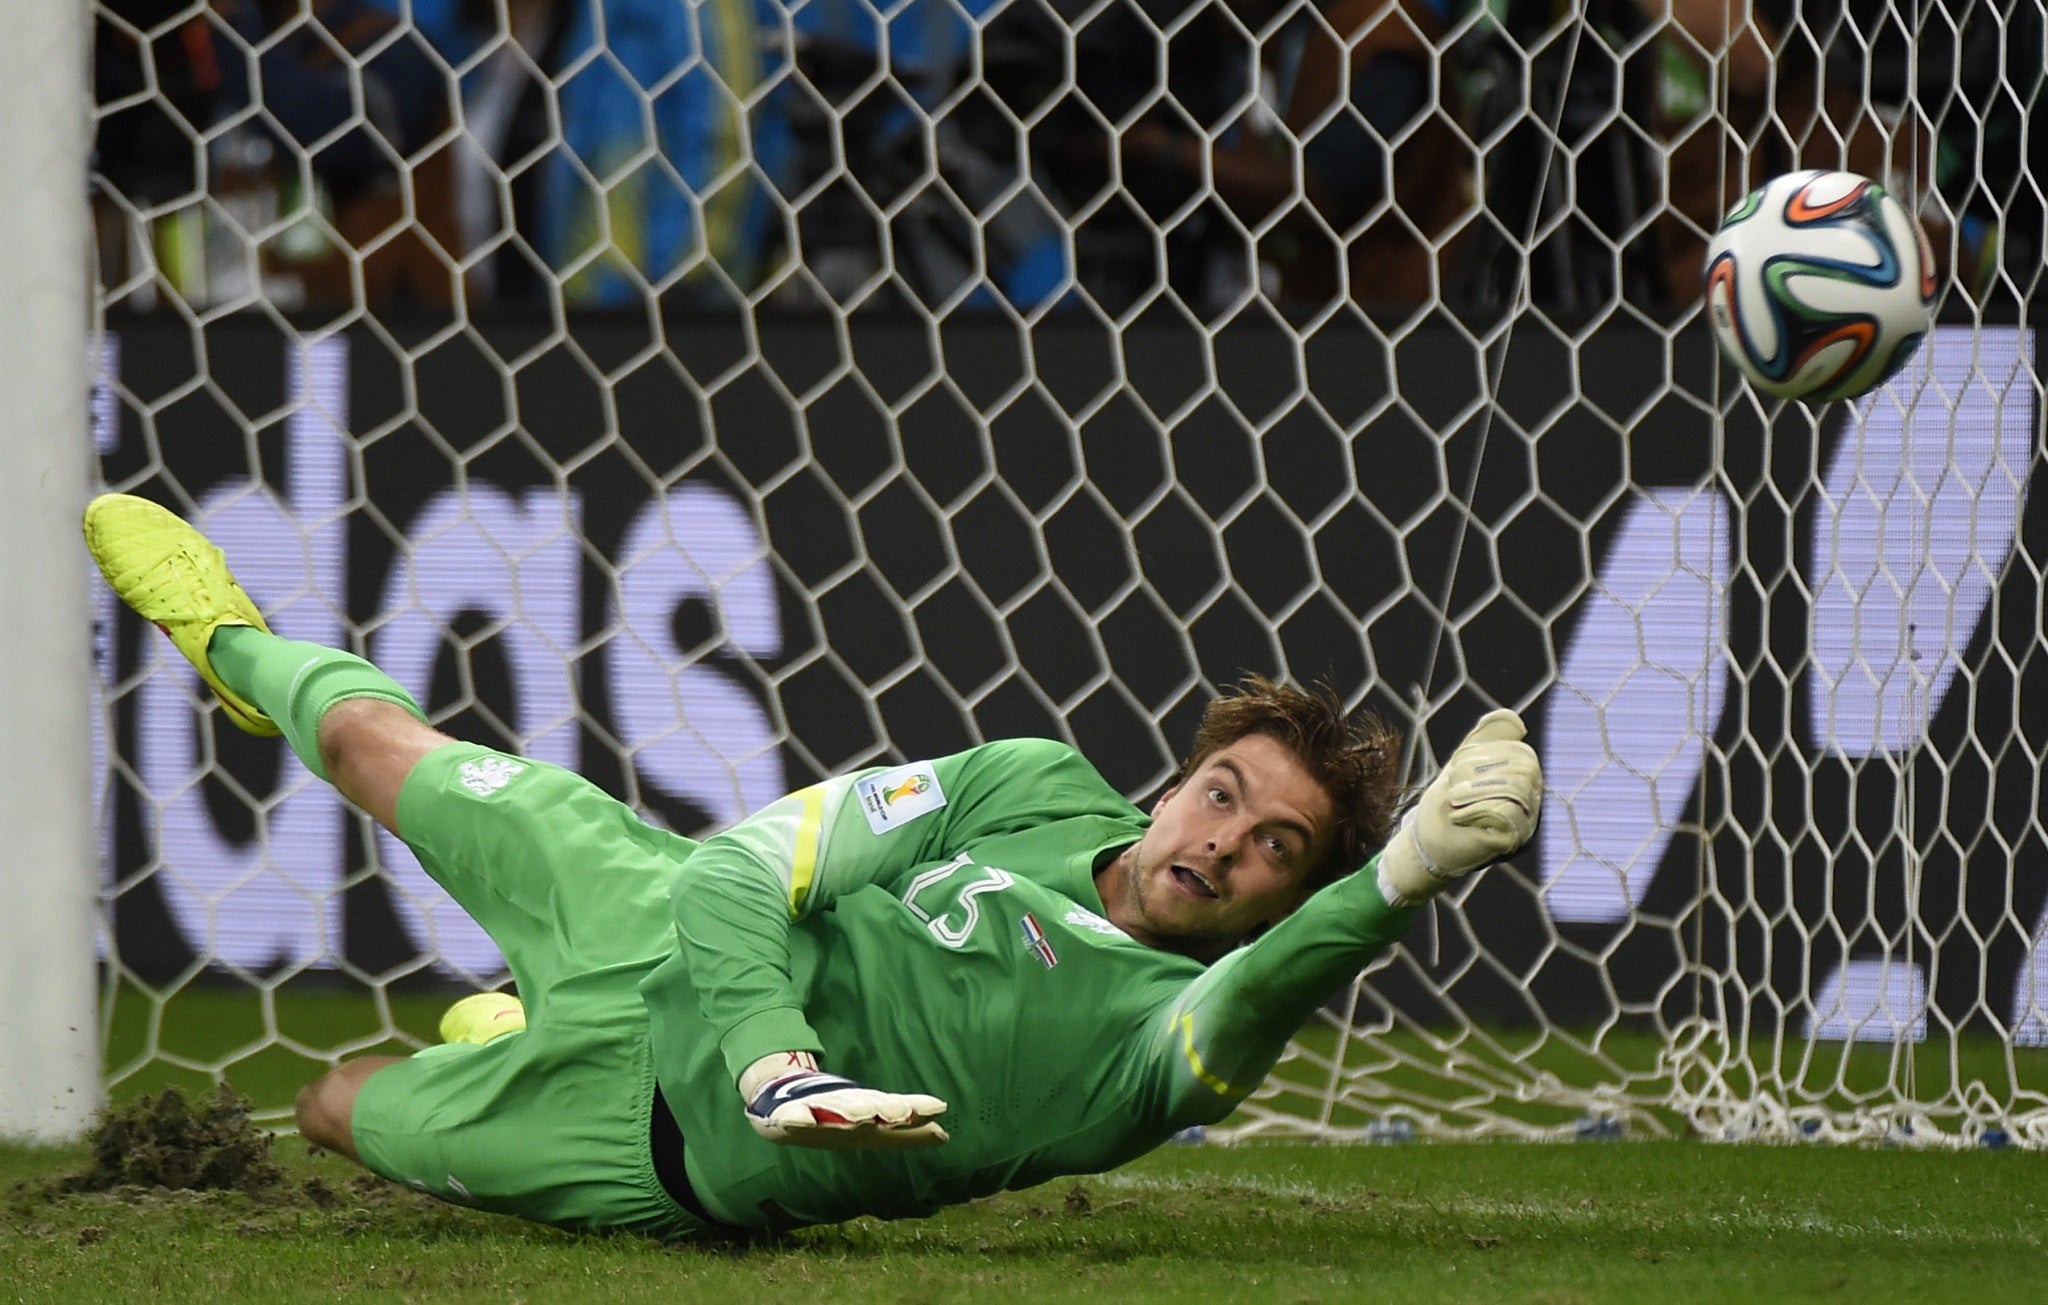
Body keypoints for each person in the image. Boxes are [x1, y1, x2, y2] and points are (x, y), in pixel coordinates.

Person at [82, 491, 1542, 1240]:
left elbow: (1274, 991)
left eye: (1275, 847)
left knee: (337, 1107)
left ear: (1287, 896)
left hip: (638, 1152)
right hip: (647, 905)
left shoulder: (1154, 1052)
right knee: (371, 747)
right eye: (1221, 793)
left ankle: (516, 1035)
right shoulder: (1025, 780)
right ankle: (230, 640)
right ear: (1174, 779)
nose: (1223, 843)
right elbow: (735, 874)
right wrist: (777, 1060)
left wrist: (1402, 874)